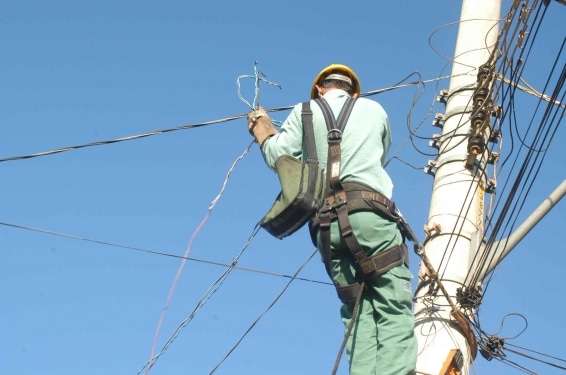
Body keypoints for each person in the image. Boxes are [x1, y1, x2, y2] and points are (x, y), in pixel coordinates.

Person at [247, 64, 417, 375]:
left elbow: (280, 157)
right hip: (371, 215)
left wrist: (263, 130)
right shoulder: (375, 110)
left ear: (320, 89)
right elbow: (379, 155)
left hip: (327, 227)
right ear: (353, 90)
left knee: (357, 312)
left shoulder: (304, 111)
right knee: (392, 308)